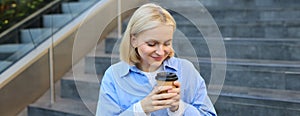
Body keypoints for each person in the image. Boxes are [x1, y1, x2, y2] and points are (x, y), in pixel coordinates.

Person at [96, 3, 217, 116]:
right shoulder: (114, 76)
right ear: (134, 40)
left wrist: (178, 108)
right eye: (151, 44)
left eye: (167, 43)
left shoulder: (186, 70)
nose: (160, 51)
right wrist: (140, 109)